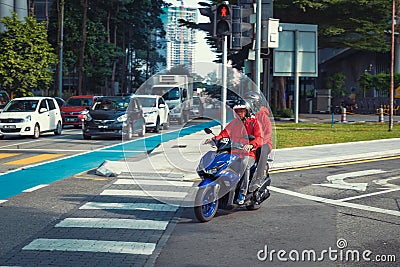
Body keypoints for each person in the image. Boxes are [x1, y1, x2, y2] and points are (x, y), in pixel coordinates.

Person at [205, 101, 262, 204]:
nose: (239, 113)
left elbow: (259, 138)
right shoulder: (234, 123)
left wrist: (251, 145)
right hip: (234, 153)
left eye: (241, 111)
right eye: (237, 111)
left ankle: (242, 193)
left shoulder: (254, 123)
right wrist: (214, 139)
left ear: (247, 111)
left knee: (245, 165)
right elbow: (225, 133)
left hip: (248, 154)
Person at [244, 91, 273, 192]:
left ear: (256, 103)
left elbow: (268, 133)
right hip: (250, 142)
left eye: (249, 102)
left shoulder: (263, 115)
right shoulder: (247, 115)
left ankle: (258, 179)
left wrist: (258, 143)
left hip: (264, 143)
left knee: (262, 150)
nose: (247, 104)